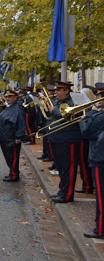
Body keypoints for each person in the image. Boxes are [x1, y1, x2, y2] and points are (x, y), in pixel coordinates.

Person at [47, 80, 82, 204]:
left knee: (69, 168)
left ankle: (67, 195)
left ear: (66, 91)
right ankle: (62, 192)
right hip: (57, 138)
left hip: (69, 139)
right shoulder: (57, 102)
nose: (55, 92)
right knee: (61, 168)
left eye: (58, 90)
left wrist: (53, 110)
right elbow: (49, 118)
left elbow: (65, 116)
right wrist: (46, 107)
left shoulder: (72, 103)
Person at [80, 82, 104, 239]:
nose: (97, 100)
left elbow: (86, 130)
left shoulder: (100, 114)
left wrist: (88, 115)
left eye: (99, 97)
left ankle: (100, 229)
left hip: (99, 157)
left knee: (101, 197)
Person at [0, 89, 26, 182]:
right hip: (4, 137)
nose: (8, 98)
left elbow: (21, 123)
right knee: (9, 157)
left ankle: (14, 175)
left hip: (11, 137)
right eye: (6, 97)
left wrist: (18, 137)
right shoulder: (9, 106)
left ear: (15, 97)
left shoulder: (18, 108)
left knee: (13, 158)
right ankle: (12, 172)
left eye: (10, 97)